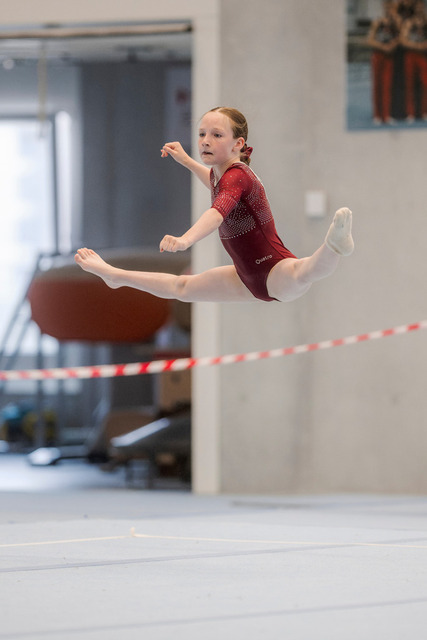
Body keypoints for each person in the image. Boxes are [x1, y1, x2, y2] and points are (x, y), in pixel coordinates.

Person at [75, 107, 354, 304]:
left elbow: (217, 213)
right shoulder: (223, 176)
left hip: (274, 270)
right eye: (201, 134)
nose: (206, 141)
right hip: (245, 277)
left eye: (217, 135)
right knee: (181, 287)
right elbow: (214, 184)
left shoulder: (238, 176)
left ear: (238, 143)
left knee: (304, 271)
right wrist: (186, 160)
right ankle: (115, 276)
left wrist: (185, 240)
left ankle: (334, 245)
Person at [366, 0, 401, 124]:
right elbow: (370, 40)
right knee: (377, 85)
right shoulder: (377, 22)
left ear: (394, 8)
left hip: (389, 57)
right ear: (383, 7)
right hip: (378, 55)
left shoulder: (396, 23)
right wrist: (383, 47)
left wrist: (392, 45)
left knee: (387, 85)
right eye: (387, 6)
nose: (389, 9)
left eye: (391, 7)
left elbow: (400, 38)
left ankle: (386, 115)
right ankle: (377, 115)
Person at [400, 0, 427, 121]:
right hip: (411, 55)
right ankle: (410, 112)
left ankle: (424, 111)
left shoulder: (425, 21)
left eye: (421, 6)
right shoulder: (409, 23)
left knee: (425, 84)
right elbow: (403, 40)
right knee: (409, 84)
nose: (419, 9)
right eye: (417, 7)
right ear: (414, 8)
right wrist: (417, 46)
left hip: (423, 56)